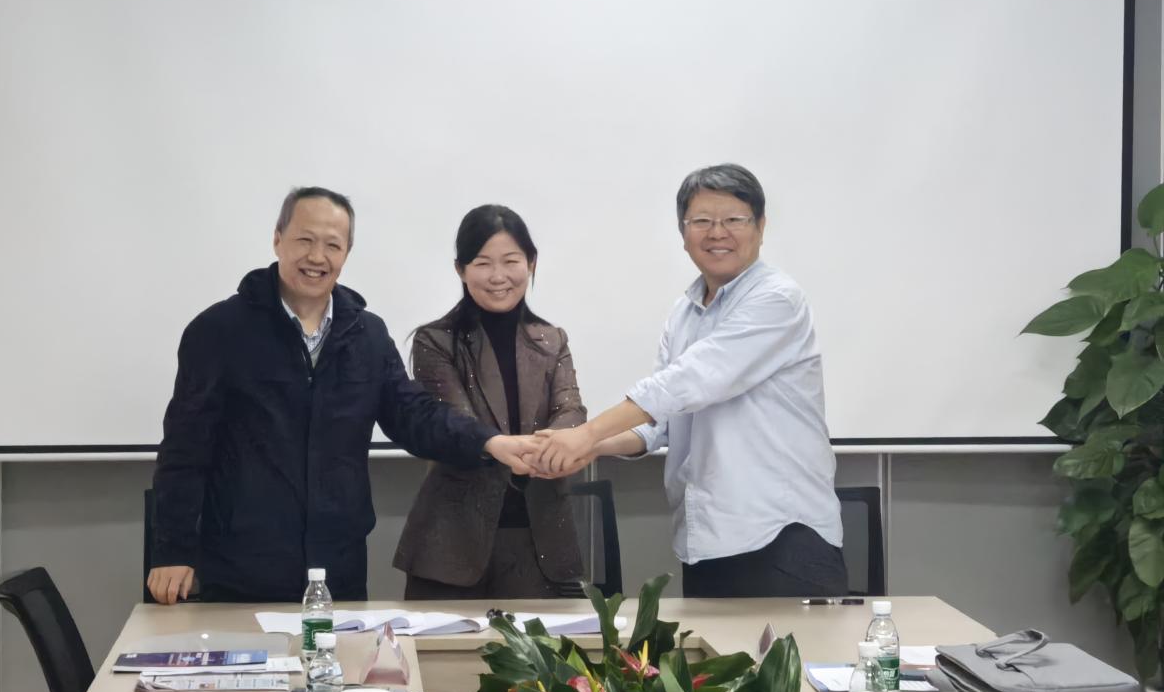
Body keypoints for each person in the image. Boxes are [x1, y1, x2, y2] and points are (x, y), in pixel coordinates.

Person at [147, 187, 535, 605]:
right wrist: (173, 550)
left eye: (333, 245)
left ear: (347, 253)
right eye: (305, 240)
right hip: (241, 567)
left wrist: (488, 442)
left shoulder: (367, 335)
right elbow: (185, 448)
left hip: (338, 568)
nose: (317, 257)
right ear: (277, 239)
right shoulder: (219, 331)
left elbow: (413, 415)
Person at [532, 164, 846, 598]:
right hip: (707, 541)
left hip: (782, 536)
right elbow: (658, 423)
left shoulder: (777, 298)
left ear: (761, 227)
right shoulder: (684, 313)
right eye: (701, 221)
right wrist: (591, 448)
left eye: (733, 219)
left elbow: (689, 382)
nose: (717, 233)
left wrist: (585, 433)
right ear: (683, 233)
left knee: (787, 650)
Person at [394, 205, 586, 599]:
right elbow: (454, 422)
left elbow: (571, 411)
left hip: (541, 538)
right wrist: (505, 446)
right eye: (483, 263)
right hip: (451, 544)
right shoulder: (436, 340)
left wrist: (551, 444)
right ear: (461, 269)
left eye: (511, 261)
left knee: (543, 642)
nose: (498, 276)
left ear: (531, 263)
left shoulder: (552, 339)